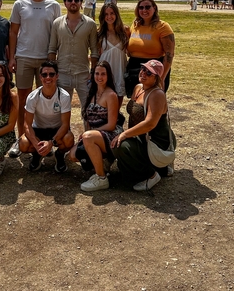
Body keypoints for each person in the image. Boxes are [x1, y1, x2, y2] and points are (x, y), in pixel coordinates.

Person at [8, 0, 61, 156]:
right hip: (24, 56)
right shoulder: (19, 4)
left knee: (44, 101)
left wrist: (54, 58)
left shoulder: (54, 6)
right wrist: (12, 57)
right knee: (23, 101)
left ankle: (43, 140)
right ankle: (21, 138)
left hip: (46, 60)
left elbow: (57, 33)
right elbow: (13, 32)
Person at [112, 60, 176, 191]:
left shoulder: (157, 94)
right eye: (143, 69)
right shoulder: (138, 88)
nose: (143, 73)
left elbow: (150, 124)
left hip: (156, 141)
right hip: (141, 138)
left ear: (156, 77)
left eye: (149, 72)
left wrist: (124, 134)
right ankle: (152, 167)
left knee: (120, 146)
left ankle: (151, 175)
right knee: (116, 143)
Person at [69, 61, 121, 192]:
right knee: (72, 155)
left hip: (111, 134)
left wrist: (90, 133)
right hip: (95, 134)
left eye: (103, 74)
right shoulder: (91, 93)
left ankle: (101, 178)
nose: (99, 77)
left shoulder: (111, 95)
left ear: (108, 76)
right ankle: (102, 165)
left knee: (87, 137)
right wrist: (88, 133)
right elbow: (88, 119)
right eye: (97, 73)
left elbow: (111, 125)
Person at [19, 60, 74, 172]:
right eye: (44, 75)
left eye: (51, 74)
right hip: (38, 129)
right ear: (40, 77)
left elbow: (65, 125)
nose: (48, 77)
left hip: (58, 130)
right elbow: (27, 124)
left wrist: (51, 143)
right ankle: (37, 155)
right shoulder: (32, 97)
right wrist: (36, 144)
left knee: (69, 139)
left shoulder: (64, 96)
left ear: (57, 76)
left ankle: (59, 155)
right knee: (23, 144)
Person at [48, 0, 99, 107]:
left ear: (81, 3)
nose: (73, 2)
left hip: (83, 74)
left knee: (88, 110)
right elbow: (52, 50)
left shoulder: (90, 24)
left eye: (76, 0)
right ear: (65, 3)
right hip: (62, 73)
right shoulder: (57, 23)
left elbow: (94, 51)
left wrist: (93, 72)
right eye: (69, 0)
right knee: (61, 111)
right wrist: (53, 72)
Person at [125, 0, 175, 97]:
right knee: (136, 105)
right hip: (134, 68)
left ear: (154, 8)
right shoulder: (135, 25)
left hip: (154, 68)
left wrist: (161, 78)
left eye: (147, 7)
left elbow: (169, 54)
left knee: (152, 102)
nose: (144, 10)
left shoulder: (163, 27)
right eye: (141, 7)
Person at [97, 3, 129, 107]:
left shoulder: (125, 32)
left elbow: (129, 51)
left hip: (119, 70)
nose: (109, 17)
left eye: (112, 13)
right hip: (105, 72)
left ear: (116, 15)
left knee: (117, 105)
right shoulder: (99, 33)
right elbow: (97, 55)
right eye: (106, 14)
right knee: (103, 103)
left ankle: (115, 123)